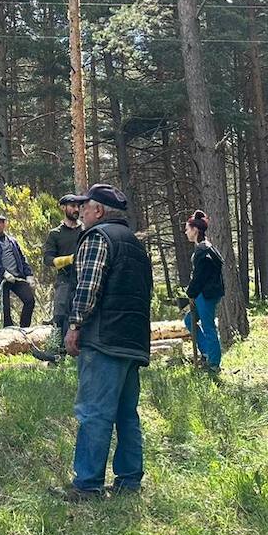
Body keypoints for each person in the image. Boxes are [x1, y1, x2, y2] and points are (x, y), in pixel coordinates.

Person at [62, 184, 154, 500]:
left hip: (104, 339)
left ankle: (87, 485)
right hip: (134, 340)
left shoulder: (96, 238)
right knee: (127, 413)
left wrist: (74, 325)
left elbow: (87, 289)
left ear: (98, 211)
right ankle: (129, 481)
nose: (80, 212)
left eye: (84, 207)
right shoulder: (137, 246)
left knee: (94, 412)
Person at [43, 193, 87, 359]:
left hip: (85, 279)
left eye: (78, 206)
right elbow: (47, 259)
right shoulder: (55, 234)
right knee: (60, 314)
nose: (76, 209)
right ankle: (57, 352)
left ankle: (83, 349)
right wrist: (68, 259)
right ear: (63, 208)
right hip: (65, 281)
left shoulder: (86, 230)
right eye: (72, 206)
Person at [183, 209, 225, 371]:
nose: (186, 232)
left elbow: (200, 276)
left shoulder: (203, 250)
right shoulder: (205, 248)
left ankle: (214, 364)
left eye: (187, 229)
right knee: (189, 321)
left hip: (206, 294)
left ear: (195, 230)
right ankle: (207, 353)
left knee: (208, 327)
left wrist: (190, 293)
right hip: (205, 293)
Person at [0, 212, 36, 328]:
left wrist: (29, 275)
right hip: (2, 281)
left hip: (17, 277)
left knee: (29, 301)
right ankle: (8, 331)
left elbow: (22, 259)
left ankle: (24, 328)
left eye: (0, 223)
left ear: (4, 224)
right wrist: (4, 273)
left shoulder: (13, 241)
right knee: (5, 309)